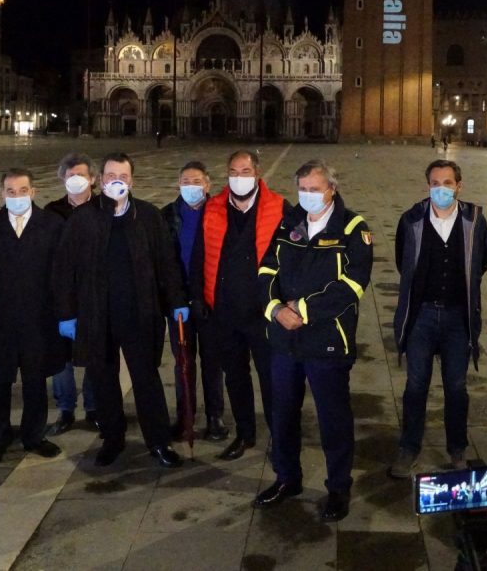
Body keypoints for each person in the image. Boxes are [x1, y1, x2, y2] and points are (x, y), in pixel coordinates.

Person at [253, 159, 373, 523]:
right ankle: (287, 478)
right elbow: (266, 270)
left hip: (326, 342)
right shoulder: (289, 223)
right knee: (282, 415)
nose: (307, 196)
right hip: (284, 341)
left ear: (331, 189)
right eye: (302, 189)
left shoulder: (353, 227)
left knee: (333, 419)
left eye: (315, 189)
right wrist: (274, 309)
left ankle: (338, 487)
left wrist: (303, 309)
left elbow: (353, 285)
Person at [52, 152, 189, 469]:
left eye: (123, 176)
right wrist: (67, 313)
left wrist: (177, 301)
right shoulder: (83, 218)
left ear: (132, 181)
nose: (117, 181)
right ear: (100, 180)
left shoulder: (149, 216)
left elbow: (166, 263)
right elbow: (64, 270)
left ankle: (158, 442)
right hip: (97, 314)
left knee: (147, 379)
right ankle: (112, 440)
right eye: (111, 175)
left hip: (139, 313)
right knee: (103, 379)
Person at [388, 159, 487, 478]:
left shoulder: (475, 219)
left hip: (458, 317)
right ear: (427, 185)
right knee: (416, 385)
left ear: (459, 186)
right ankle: (409, 447)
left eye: (448, 183)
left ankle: (457, 448)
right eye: (435, 182)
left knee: (456, 386)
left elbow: (481, 262)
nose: (441, 188)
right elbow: (403, 262)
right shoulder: (411, 219)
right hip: (421, 315)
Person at [0, 168, 66, 466]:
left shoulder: (52, 225)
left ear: (33, 192)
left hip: (39, 320)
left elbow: (60, 271)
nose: (17, 196)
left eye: (22, 190)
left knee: (35, 382)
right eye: (10, 191)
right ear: (2, 194)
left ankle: (33, 436)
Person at [197, 149, 287, 460]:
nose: (239, 177)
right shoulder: (213, 208)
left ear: (258, 174)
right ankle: (245, 434)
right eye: (233, 172)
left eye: (245, 171)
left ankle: (279, 435)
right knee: (235, 377)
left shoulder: (279, 208)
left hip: (264, 314)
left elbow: (289, 261)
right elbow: (200, 256)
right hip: (225, 312)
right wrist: (200, 298)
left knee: (271, 377)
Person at [160, 160, 226, 442]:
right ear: (178, 185)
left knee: (212, 361)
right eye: (186, 181)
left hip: (211, 300)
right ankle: (185, 417)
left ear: (208, 185)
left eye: (197, 181)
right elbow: (164, 263)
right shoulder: (167, 215)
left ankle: (215, 417)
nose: (191, 187)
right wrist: (176, 299)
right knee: (183, 362)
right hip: (179, 304)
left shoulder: (222, 213)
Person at [43, 153, 99, 434]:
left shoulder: (105, 209)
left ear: (93, 179)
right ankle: (65, 409)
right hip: (60, 294)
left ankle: (93, 407)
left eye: (81, 174)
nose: (75, 179)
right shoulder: (51, 213)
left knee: (95, 351)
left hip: (94, 293)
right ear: (62, 179)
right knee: (61, 355)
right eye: (70, 175)